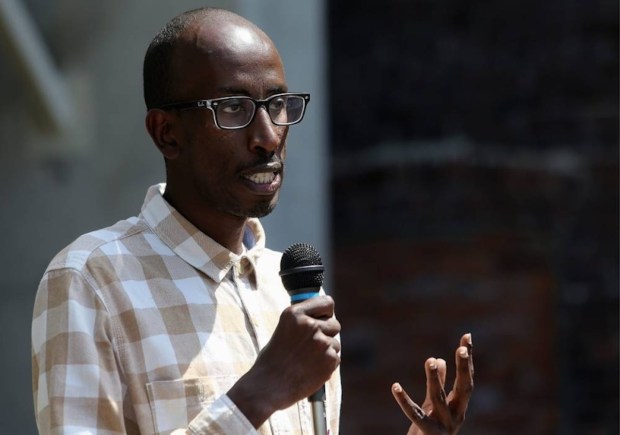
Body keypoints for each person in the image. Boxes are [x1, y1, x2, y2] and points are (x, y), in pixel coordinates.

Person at [31, 7, 473, 435]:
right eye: (232, 108)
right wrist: (260, 392)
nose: (268, 137)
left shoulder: (292, 290)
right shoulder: (92, 280)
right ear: (167, 132)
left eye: (277, 104)